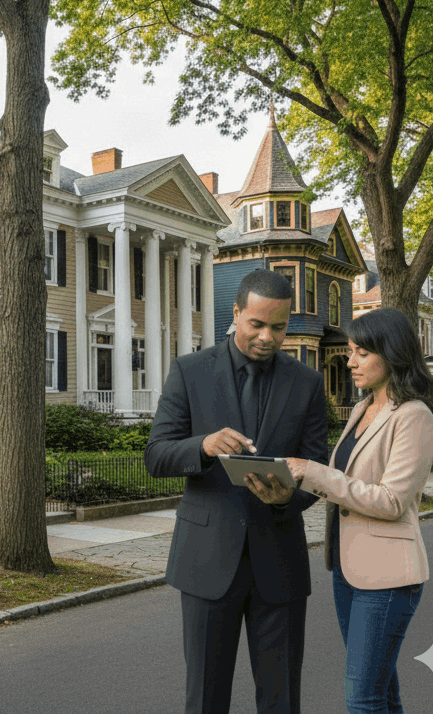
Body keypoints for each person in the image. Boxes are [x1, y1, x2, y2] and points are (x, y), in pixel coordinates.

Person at [145, 268, 328, 714]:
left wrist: (288, 498)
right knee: (206, 700)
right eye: (257, 324)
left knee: (281, 700)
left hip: (280, 563)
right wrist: (203, 447)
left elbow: (316, 468)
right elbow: (156, 456)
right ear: (236, 313)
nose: (268, 336)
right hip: (207, 562)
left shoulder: (307, 383)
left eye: (279, 327)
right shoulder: (189, 371)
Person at [285, 308, 433, 714]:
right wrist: (288, 484)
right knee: (380, 691)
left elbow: (391, 501)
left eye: (362, 353)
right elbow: (347, 483)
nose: (350, 361)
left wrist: (314, 473)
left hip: (388, 578)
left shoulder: (413, 416)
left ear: (392, 354)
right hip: (347, 569)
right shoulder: (362, 409)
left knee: (362, 697)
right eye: (350, 352)